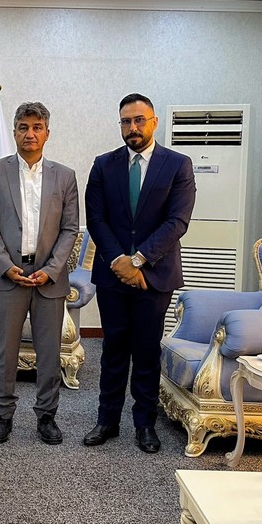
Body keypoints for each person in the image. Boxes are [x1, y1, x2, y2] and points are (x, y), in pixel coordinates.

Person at [83, 93, 196, 453]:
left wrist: (138, 261)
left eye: (138, 120)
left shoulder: (178, 165)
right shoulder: (103, 164)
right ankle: (107, 420)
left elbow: (177, 221)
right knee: (113, 348)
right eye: (125, 121)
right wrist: (120, 260)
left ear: (153, 122)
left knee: (147, 350)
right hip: (112, 274)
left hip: (155, 275)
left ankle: (145, 424)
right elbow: (96, 218)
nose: (132, 127)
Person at [0, 102, 79, 445]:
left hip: (49, 278)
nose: (30, 133)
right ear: (14, 132)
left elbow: (70, 229)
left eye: (37, 127)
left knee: (49, 353)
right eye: (23, 127)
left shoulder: (65, 176)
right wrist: (6, 266)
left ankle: (47, 416)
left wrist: (51, 270)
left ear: (47, 133)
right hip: (8, 275)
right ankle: (2, 415)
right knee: (4, 351)